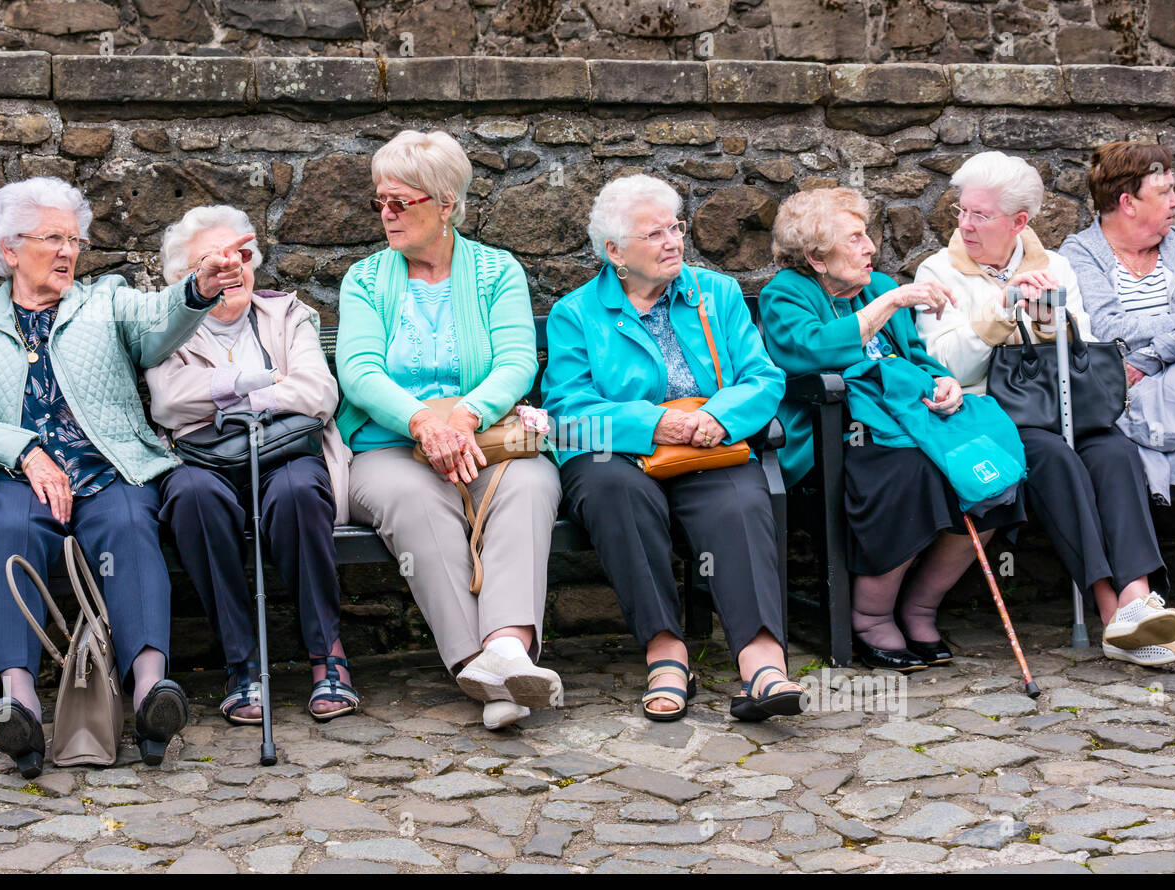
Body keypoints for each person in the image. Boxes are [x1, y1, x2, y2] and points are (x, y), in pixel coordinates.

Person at [0, 177, 245, 775]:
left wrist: (195, 290)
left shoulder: (105, 300)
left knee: (129, 524)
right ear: (11, 250)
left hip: (107, 471)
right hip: (16, 479)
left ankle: (150, 694)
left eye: (75, 239)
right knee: (8, 530)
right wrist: (21, 451)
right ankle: (15, 703)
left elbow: (154, 325)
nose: (69, 250)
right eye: (53, 238)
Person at [914, 152, 1175, 667]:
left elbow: (1083, 351)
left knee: (1115, 453)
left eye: (980, 215)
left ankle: (1137, 597)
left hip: (1064, 404)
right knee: (1056, 460)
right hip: (994, 413)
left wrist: (1052, 321)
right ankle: (1114, 616)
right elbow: (941, 361)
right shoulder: (937, 270)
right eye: (962, 211)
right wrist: (1000, 310)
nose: (965, 224)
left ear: (1019, 222)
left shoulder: (1057, 266)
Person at [544, 174, 800, 722]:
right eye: (654, 233)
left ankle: (762, 659)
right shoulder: (576, 313)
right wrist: (653, 425)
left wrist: (717, 417)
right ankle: (665, 648)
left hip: (710, 442)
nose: (673, 241)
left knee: (739, 501)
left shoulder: (717, 293)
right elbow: (566, 411)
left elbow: (763, 377)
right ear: (614, 251)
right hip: (620, 451)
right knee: (613, 492)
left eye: (675, 227)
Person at [335, 130, 563, 730]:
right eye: (380, 201)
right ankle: (480, 667)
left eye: (400, 202)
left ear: (445, 203)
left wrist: (463, 417)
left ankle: (507, 648)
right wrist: (421, 422)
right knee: (414, 498)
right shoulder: (364, 279)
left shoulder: (495, 271)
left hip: (483, 435)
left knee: (532, 484)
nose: (385, 214)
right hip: (389, 446)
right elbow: (358, 371)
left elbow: (518, 360)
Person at [761, 187, 1024, 673]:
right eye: (856, 238)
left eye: (867, 235)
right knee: (909, 471)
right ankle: (870, 613)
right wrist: (892, 301)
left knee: (992, 471)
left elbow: (911, 356)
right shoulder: (787, 293)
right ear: (817, 258)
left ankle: (921, 605)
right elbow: (810, 352)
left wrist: (945, 381)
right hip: (838, 430)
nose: (870, 248)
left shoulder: (877, 283)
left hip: (909, 417)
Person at [147, 205, 357, 723]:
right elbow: (170, 404)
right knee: (194, 500)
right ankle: (241, 664)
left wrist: (229, 396)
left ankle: (327, 655)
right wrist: (261, 383)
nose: (231, 267)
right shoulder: (165, 326)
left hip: (284, 449)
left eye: (240, 255)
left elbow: (318, 394)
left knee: (298, 494)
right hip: (200, 456)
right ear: (184, 277)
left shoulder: (288, 313)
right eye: (213, 259)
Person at [1060, 142, 1175, 502]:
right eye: (1165, 192)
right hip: (1127, 395)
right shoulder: (1079, 254)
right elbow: (1109, 328)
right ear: (1128, 203)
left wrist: (1150, 355)